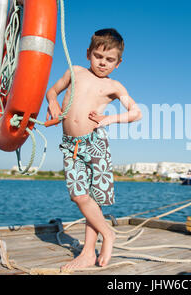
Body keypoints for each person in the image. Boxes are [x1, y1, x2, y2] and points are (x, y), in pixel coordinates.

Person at [46, 28, 142, 270]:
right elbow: (52, 90)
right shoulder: (75, 72)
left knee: (94, 199)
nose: (103, 63)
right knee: (79, 196)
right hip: (71, 146)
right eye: (98, 56)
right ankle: (108, 233)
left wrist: (109, 120)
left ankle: (89, 252)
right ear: (88, 53)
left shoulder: (114, 85)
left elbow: (136, 112)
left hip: (95, 143)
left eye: (110, 60)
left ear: (118, 63)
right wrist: (53, 104)